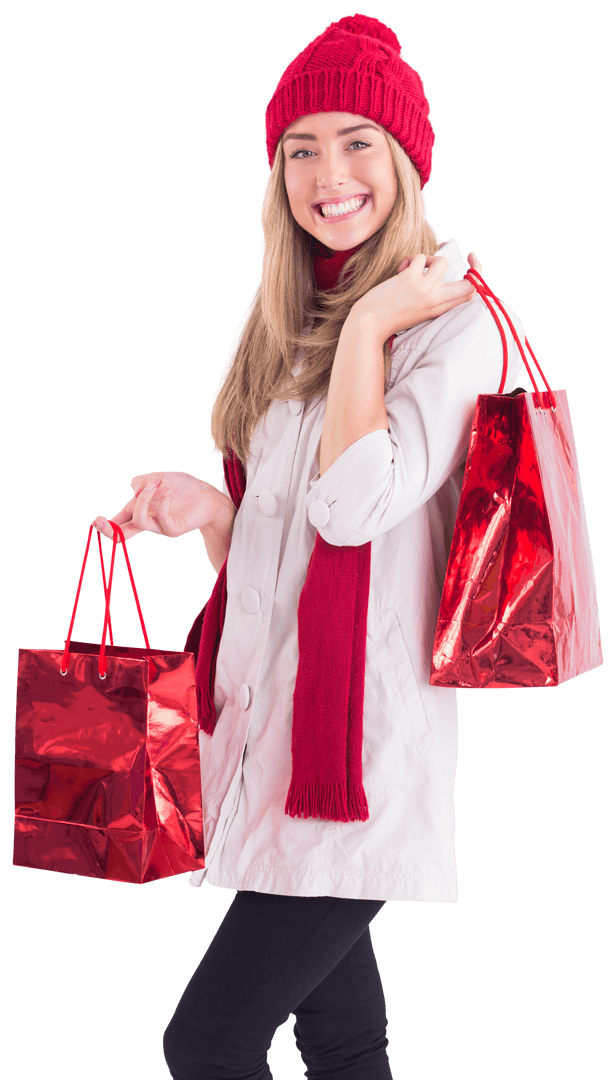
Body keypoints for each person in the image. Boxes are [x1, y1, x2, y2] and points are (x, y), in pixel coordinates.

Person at [91, 14, 525, 1080]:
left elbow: (351, 512)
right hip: (266, 740)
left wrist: (377, 325)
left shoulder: (453, 325)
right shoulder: (299, 318)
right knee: (341, 1038)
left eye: (356, 141)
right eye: (300, 148)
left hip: (357, 759)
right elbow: (281, 570)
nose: (327, 174)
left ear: (406, 159)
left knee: (209, 1039)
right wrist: (213, 513)